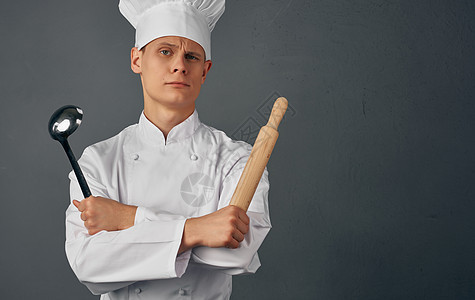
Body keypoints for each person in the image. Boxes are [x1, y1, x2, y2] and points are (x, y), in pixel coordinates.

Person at [65, 0, 271, 299]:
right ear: (137, 60)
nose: (179, 65)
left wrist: (130, 219)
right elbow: (89, 265)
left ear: (205, 70)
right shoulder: (98, 161)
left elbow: (234, 255)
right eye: (165, 51)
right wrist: (199, 230)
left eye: (191, 56)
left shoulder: (237, 159)